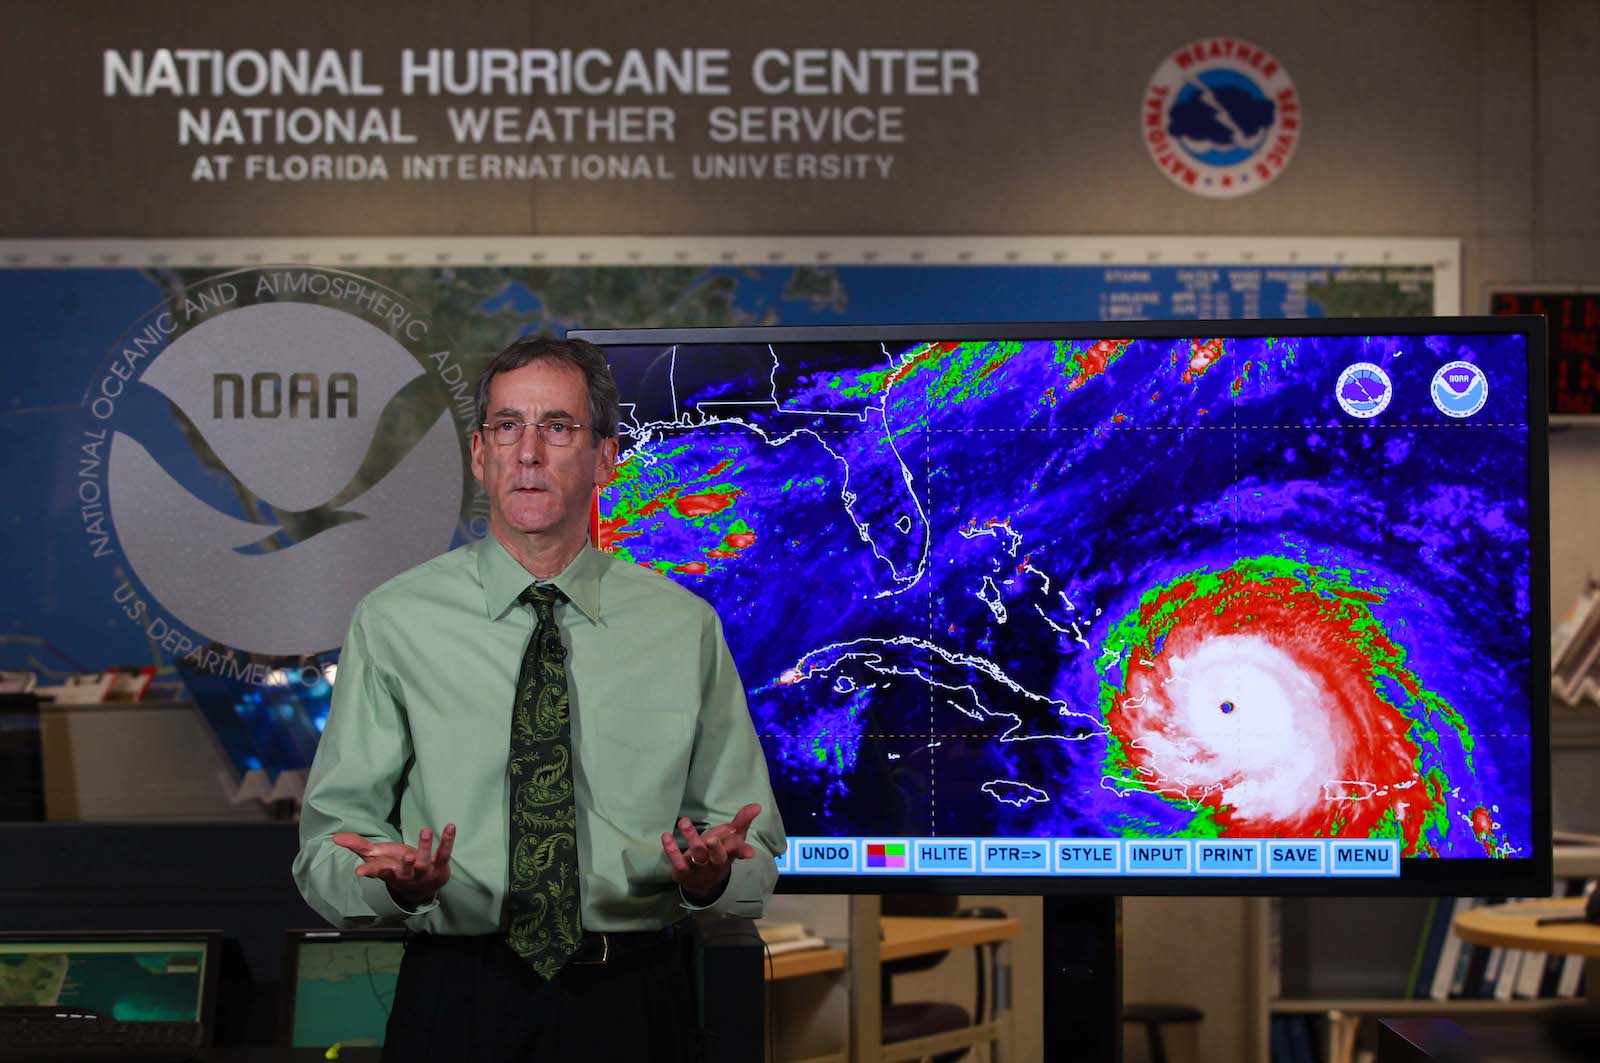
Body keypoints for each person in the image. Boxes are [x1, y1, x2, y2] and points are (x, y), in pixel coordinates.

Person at [292, 335, 787, 1062]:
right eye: (506, 426)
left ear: (605, 458)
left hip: (637, 1001)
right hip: (457, 999)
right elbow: (325, 850)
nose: (528, 451)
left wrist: (714, 879)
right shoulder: (394, 621)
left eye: (557, 427)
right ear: (479, 454)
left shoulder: (683, 628)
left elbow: (755, 845)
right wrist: (394, 887)